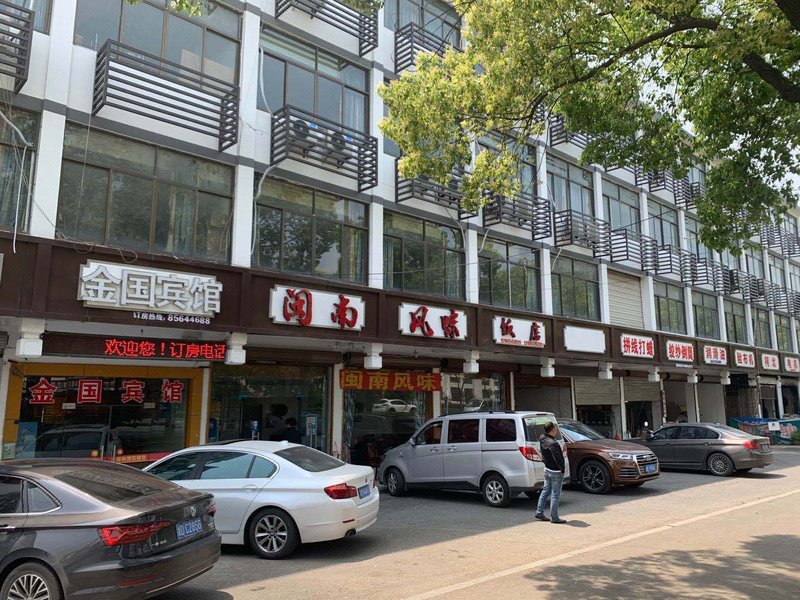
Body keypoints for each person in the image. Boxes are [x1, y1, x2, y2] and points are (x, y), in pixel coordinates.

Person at [535, 422, 567, 524]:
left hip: (547, 469)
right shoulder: (553, 443)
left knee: (545, 491)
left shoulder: (542, 438)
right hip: (555, 471)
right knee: (555, 494)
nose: (556, 430)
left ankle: (539, 512)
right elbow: (558, 458)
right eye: (555, 428)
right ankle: (554, 517)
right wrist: (562, 468)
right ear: (553, 429)